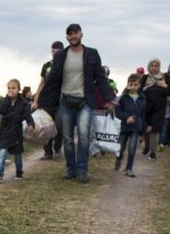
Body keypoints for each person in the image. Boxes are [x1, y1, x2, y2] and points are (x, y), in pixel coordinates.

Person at [36, 23, 117, 183]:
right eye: (70, 34)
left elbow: (100, 77)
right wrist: (39, 100)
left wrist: (109, 98)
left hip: (85, 101)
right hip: (66, 101)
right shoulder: (60, 56)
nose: (73, 36)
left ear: (81, 34)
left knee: (84, 136)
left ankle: (82, 171)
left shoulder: (92, 54)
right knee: (67, 138)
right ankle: (70, 169)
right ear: (67, 37)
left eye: (75, 33)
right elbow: (52, 80)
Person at [0, 79, 34, 183]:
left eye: (13, 88)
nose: (11, 90)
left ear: (19, 89)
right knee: (2, 153)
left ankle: (19, 172)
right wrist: (7, 98)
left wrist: (31, 124)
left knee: (17, 154)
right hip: (5, 132)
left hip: (16, 133)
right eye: (9, 88)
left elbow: (27, 115)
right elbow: (0, 110)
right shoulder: (4, 101)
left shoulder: (23, 103)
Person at [32, 40, 64, 160]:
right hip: (46, 100)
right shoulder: (46, 65)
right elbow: (41, 83)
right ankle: (47, 152)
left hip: (61, 101)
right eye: (52, 51)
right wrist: (35, 100)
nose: (54, 53)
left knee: (59, 126)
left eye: (57, 51)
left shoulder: (65, 65)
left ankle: (57, 148)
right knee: (46, 127)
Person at [140, 58, 170, 160]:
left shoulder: (165, 77)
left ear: (159, 67)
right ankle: (147, 146)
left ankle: (153, 152)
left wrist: (164, 85)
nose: (154, 68)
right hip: (146, 107)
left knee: (155, 130)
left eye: (156, 66)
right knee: (146, 129)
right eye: (152, 65)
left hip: (159, 108)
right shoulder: (145, 78)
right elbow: (139, 91)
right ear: (149, 67)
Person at [114, 74, 146, 177]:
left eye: (135, 84)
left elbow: (143, 114)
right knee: (121, 147)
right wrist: (127, 117)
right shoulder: (123, 98)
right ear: (127, 85)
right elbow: (117, 111)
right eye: (131, 84)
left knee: (132, 148)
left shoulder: (142, 99)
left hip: (136, 127)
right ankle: (118, 159)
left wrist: (144, 127)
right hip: (124, 126)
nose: (133, 86)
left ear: (139, 85)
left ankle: (129, 169)